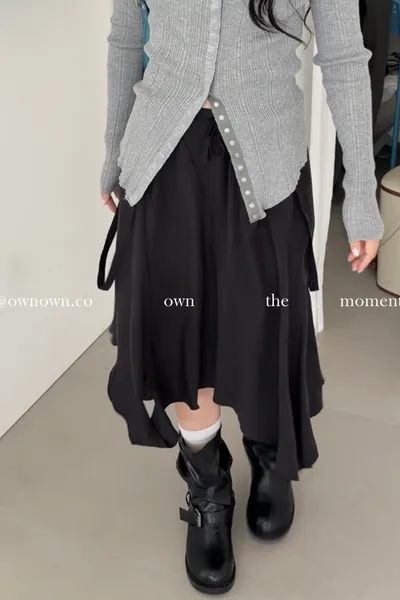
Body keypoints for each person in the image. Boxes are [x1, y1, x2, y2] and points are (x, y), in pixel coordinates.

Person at [97, 0, 384, 595]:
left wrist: (361, 193)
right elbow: (126, 36)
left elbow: (344, 57)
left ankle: (269, 448)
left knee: (261, 333)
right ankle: (209, 487)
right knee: (184, 341)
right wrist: (114, 155)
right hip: (163, 167)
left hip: (268, 166)